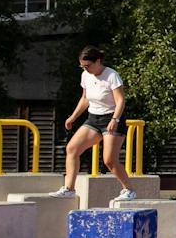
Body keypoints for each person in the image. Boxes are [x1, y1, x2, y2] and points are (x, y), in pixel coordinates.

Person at [51, 47, 138, 201]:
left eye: (88, 65)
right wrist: (73, 117)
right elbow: (85, 98)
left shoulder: (112, 75)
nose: (86, 69)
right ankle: (69, 188)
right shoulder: (85, 75)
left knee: (109, 160)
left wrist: (115, 119)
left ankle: (129, 190)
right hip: (93, 118)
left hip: (111, 119)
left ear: (98, 61)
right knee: (72, 148)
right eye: (83, 66)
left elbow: (120, 100)